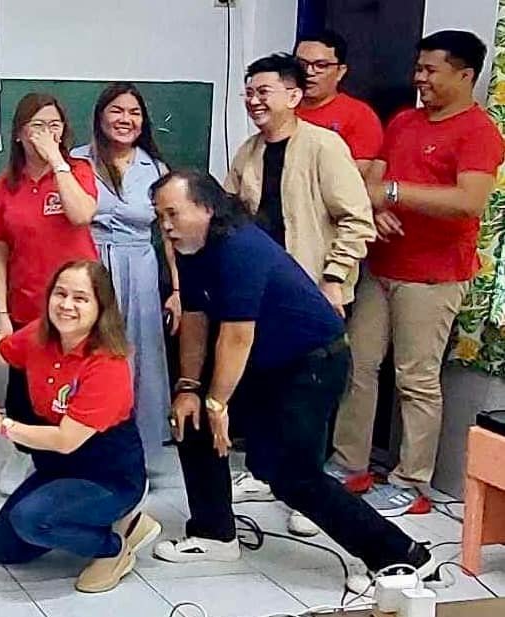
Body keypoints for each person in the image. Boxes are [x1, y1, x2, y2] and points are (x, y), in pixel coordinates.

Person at [148, 170, 440, 594]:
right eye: (160, 216)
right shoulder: (190, 249)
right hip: (266, 361)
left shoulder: (239, 248)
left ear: (206, 208)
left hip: (311, 363)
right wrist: (190, 388)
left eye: (173, 214)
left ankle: (404, 556)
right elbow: (195, 318)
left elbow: (236, 335)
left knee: (292, 475)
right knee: (190, 421)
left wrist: (218, 403)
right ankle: (213, 533)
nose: (166, 226)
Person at [331, 30, 505, 516]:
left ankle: (412, 483)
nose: (419, 78)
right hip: (380, 267)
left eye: (431, 70)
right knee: (358, 365)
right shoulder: (405, 120)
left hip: (433, 277)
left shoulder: (478, 131)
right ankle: (349, 464)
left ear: (464, 75)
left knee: (416, 379)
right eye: (419, 68)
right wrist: (376, 204)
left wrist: (394, 194)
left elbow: (469, 201)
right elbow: (373, 181)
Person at [221, 53, 375, 537]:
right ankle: (267, 472)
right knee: (265, 386)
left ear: (292, 95)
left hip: (312, 295)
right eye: (248, 92)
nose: (254, 100)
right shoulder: (247, 152)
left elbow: (357, 219)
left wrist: (334, 279)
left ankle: (312, 488)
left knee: (309, 393)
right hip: (261, 296)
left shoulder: (323, 147)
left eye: (263, 91)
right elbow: (228, 218)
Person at [0, 261, 158, 593]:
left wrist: (0, 425)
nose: (66, 305)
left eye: (80, 298)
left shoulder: (107, 364)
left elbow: (65, 440)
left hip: (108, 478)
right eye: (60, 294)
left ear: (101, 308)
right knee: (4, 548)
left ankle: (114, 547)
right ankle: (94, 521)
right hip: (57, 470)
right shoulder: (40, 335)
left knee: (31, 520)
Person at [0, 92, 99, 495]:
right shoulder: (3, 186)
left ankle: (82, 457)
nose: (47, 133)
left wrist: (57, 161)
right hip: (28, 301)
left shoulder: (78, 170)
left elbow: (81, 214)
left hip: (79, 304)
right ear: (19, 134)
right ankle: (24, 451)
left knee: (80, 381)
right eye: (37, 126)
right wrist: (1, 311)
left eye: (54, 125)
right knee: (24, 386)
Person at [70, 83, 178, 466]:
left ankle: (139, 450)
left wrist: (177, 289)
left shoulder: (156, 169)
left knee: (139, 354)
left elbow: (169, 234)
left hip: (140, 269)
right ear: (100, 116)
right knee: (89, 354)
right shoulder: (76, 162)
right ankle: (83, 443)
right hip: (89, 267)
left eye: (134, 112)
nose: (125, 119)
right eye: (117, 110)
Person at [294, 30, 384, 178]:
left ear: (340, 72)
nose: (309, 72)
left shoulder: (360, 115)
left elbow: (356, 176)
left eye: (320, 65)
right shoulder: (282, 108)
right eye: (301, 64)